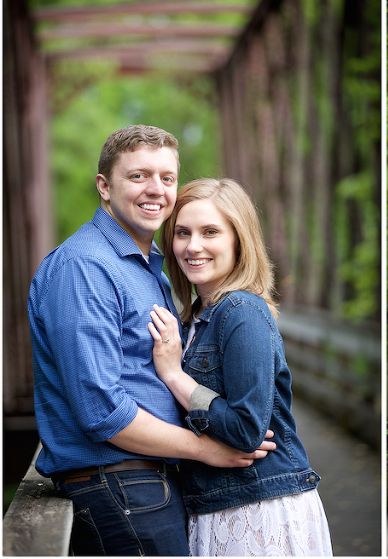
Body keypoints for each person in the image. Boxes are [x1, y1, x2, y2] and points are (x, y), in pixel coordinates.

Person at [28, 125, 276, 556]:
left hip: (149, 481)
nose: (156, 190)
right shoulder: (85, 267)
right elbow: (101, 411)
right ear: (104, 186)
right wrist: (204, 450)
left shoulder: (149, 271)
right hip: (119, 484)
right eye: (138, 176)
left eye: (167, 177)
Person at [148, 177, 333, 556]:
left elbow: (247, 430)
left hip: (259, 507)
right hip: (218, 504)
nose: (193, 246)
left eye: (210, 232)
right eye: (182, 233)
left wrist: (174, 375)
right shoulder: (194, 319)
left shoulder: (241, 311)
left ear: (238, 240)